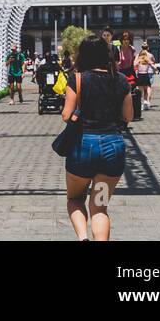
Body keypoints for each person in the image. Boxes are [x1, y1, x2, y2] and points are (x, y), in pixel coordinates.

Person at [61, 34, 133, 241]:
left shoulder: (77, 78)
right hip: (112, 148)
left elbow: (67, 115)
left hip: (83, 147)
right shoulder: (120, 79)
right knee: (100, 207)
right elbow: (128, 116)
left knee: (75, 198)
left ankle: (83, 238)